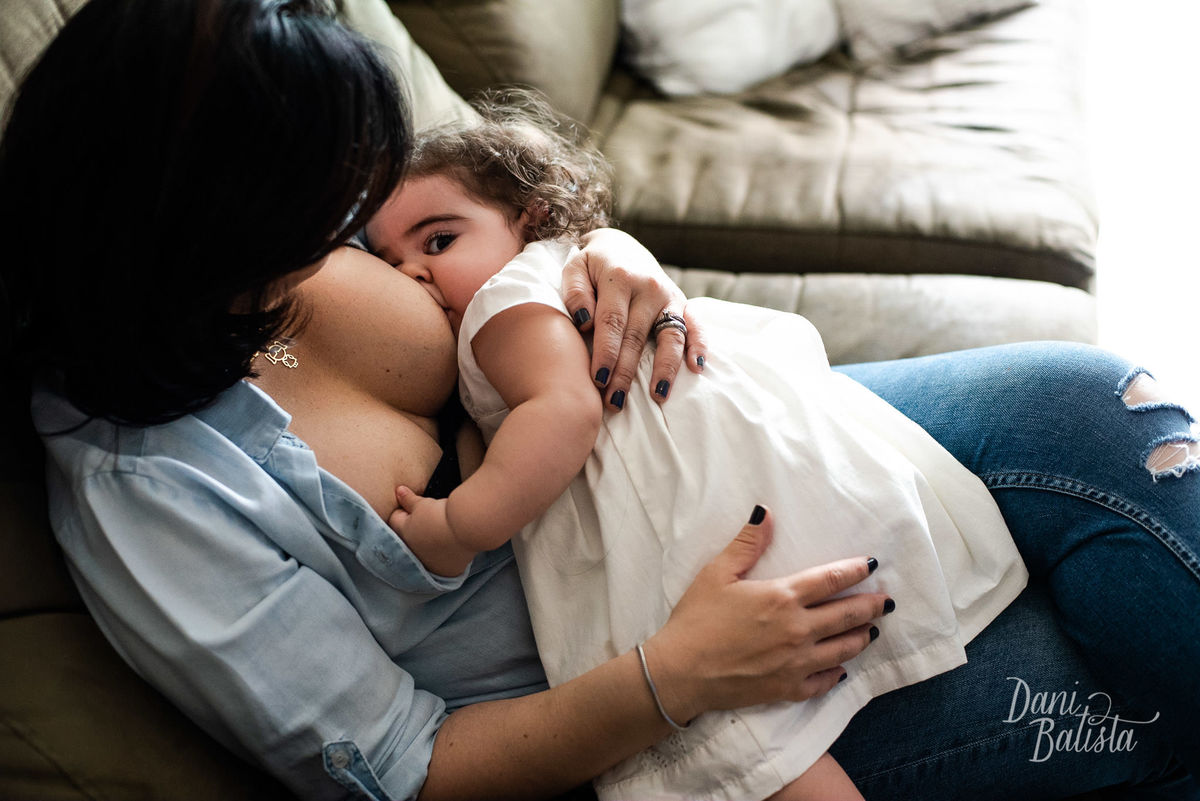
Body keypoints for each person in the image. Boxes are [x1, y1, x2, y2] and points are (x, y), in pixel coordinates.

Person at [2, 1, 1197, 800]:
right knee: (1125, 680)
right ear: (194, 231)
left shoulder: (289, 239)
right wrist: (681, 673)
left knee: (1099, 409)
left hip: (706, 460)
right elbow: (406, 768)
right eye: (312, 217)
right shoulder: (150, 493)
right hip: (668, 668)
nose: (343, 239)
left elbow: (493, 224)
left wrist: (599, 256)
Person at [361, 90, 1028, 801]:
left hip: (679, 520)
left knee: (743, 747)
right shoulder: (561, 270)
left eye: (438, 241)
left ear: (528, 219)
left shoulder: (500, 306)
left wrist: (458, 526)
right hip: (758, 467)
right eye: (388, 260)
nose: (412, 274)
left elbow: (562, 415)